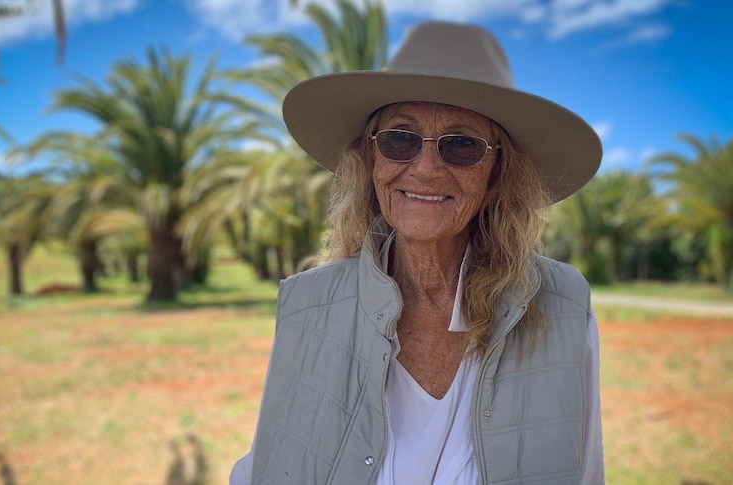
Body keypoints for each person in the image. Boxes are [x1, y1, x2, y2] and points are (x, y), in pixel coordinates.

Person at [231, 20, 604, 484]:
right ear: (371, 162)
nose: (426, 168)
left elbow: (584, 473)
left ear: (497, 176)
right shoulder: (307, 305)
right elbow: (271, 462)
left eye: (463, 145)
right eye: (400, 138)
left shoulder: (563, 304)